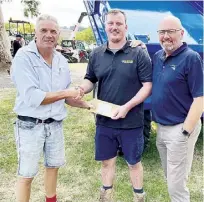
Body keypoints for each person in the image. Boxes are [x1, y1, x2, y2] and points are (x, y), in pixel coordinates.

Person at [11, 14, 88, 202]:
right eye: (44, 30)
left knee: (53, 167)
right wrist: (67, 92)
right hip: (30, 126)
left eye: (53, 31)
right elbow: (33, 97)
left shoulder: (61, 60)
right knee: (27, 174)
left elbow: (65, 98)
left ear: (59, 34)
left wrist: (87, 105)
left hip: (55, 125)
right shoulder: (23, 57)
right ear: (35, 33)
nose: (49, 35)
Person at [80, 9, 152, 202]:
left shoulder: (138, 53)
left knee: (134, 163)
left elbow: (147, 86)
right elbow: (90, 79)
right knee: (106, 163)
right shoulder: (96, 54)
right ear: (105, 27)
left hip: (132, 122)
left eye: (119, 24)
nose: (114, 27)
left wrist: (127, 107)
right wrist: (80, 89)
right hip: (104, 121)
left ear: (126, 27)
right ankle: (106, 196)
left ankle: (139, 197)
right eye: (110, 23)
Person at [152, 16, 203, 202]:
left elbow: (200, 98)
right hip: (162, 128)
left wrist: (185, 131)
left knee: (176, 186)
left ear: (181, 33)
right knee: (172, 177)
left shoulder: (191, 58)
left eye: (171, 32)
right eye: (162, 32)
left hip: (180, 128)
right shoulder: (158, 57)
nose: (166, 36)